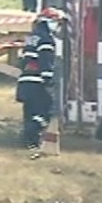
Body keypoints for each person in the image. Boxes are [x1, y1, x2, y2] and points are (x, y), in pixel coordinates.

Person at [15, 8, 67, 158]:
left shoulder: (32, 37)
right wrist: (48, 79)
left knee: (30, 113)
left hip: (26, 81)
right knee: (43, 112)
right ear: (50, 21)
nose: (58, 26)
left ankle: (28, 141)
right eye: (57, 22)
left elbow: (24, 59)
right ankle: (30, 139)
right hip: (37, 81)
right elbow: (46, 60)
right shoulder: (46, 39)